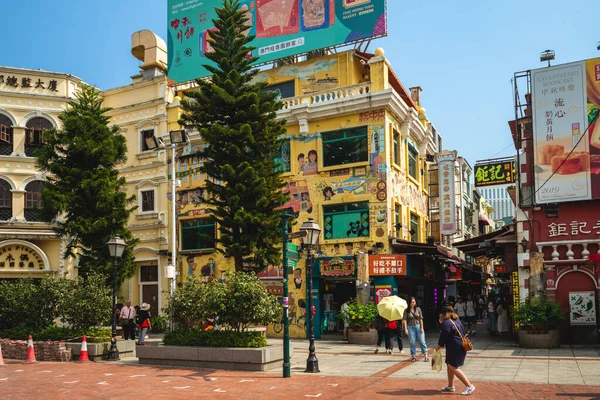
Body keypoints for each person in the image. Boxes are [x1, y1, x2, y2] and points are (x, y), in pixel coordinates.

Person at [436, 305, 476, 396]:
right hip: (457, 347)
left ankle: (469, 386)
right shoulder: (456, 321)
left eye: (441, 314)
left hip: (455, 348)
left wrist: (438, 346)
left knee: (453, 367)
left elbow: (443, 336)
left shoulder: (446, 323)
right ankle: (450, 386)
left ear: (445, 314)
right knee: (450, 365)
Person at [402, 297, 429, 362]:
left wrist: (422, 327)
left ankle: (426, 355)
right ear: (409, 303)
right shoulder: (406, 310)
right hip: (410, 327)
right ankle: (413, 356)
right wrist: (405, 329)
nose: (412, 303)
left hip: (418, 326)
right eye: (411, 302)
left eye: (413, 302)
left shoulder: (418, 309)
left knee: (422, 341)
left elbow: (420, 319)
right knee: (412, 342)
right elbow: (404, 320)